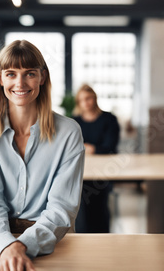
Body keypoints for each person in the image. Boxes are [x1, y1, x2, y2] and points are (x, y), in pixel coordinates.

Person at [0, 40, 85, 271]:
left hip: (50, 237)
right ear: (1, 78)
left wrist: (22, 245)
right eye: (11, 74)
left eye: (29, 73)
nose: (20, 83)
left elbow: (62, 208)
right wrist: (6, 245)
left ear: (42, 77)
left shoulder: (69, 132)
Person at [72, 84, 120, 233]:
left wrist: (87, 147)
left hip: (103, 171)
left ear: (95, 98)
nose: (86, 103)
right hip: (81, 171)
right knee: (81, 208)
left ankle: (102, 237)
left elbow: (109, 147)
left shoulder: (109, 119)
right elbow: (71, 148)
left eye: (88, 98)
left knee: (99, 205)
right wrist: (92, 148)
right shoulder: (74, 122)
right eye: (82, 100)